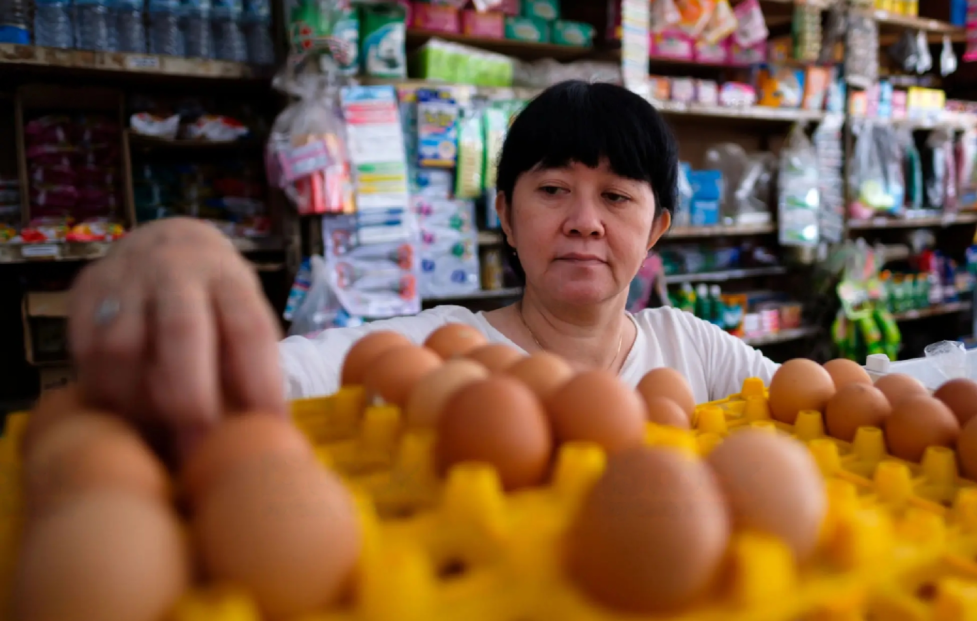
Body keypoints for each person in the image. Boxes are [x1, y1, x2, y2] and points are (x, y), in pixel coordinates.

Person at [68, 80, 778, 452]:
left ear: (656, 228)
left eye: (617, 196)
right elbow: (264, 376)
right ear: (504, 212)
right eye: (553, 189)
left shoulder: (693, 348)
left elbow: (852, 398)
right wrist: (179, 248)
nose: (584, 221)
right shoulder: (437, 349)